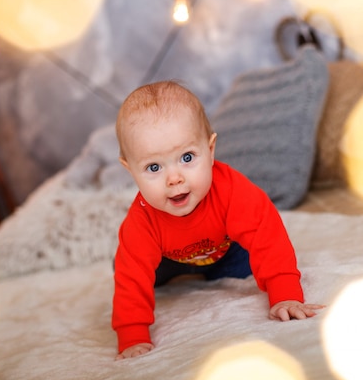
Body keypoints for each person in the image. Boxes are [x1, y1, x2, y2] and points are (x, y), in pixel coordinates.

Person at [112, 80, 324, 360]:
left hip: (224, 247)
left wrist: (285, 294)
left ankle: (212, 271)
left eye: (187, 157)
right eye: (154, 167)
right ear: (130, 171)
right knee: (128, 267)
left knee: (257, 262)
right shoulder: (142, 222)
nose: (174, 178)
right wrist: (132, 335)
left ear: (210, 151)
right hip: (167, 258)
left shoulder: (232, 191)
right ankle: (181, 272)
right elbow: (132, 280)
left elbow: (267, 236)